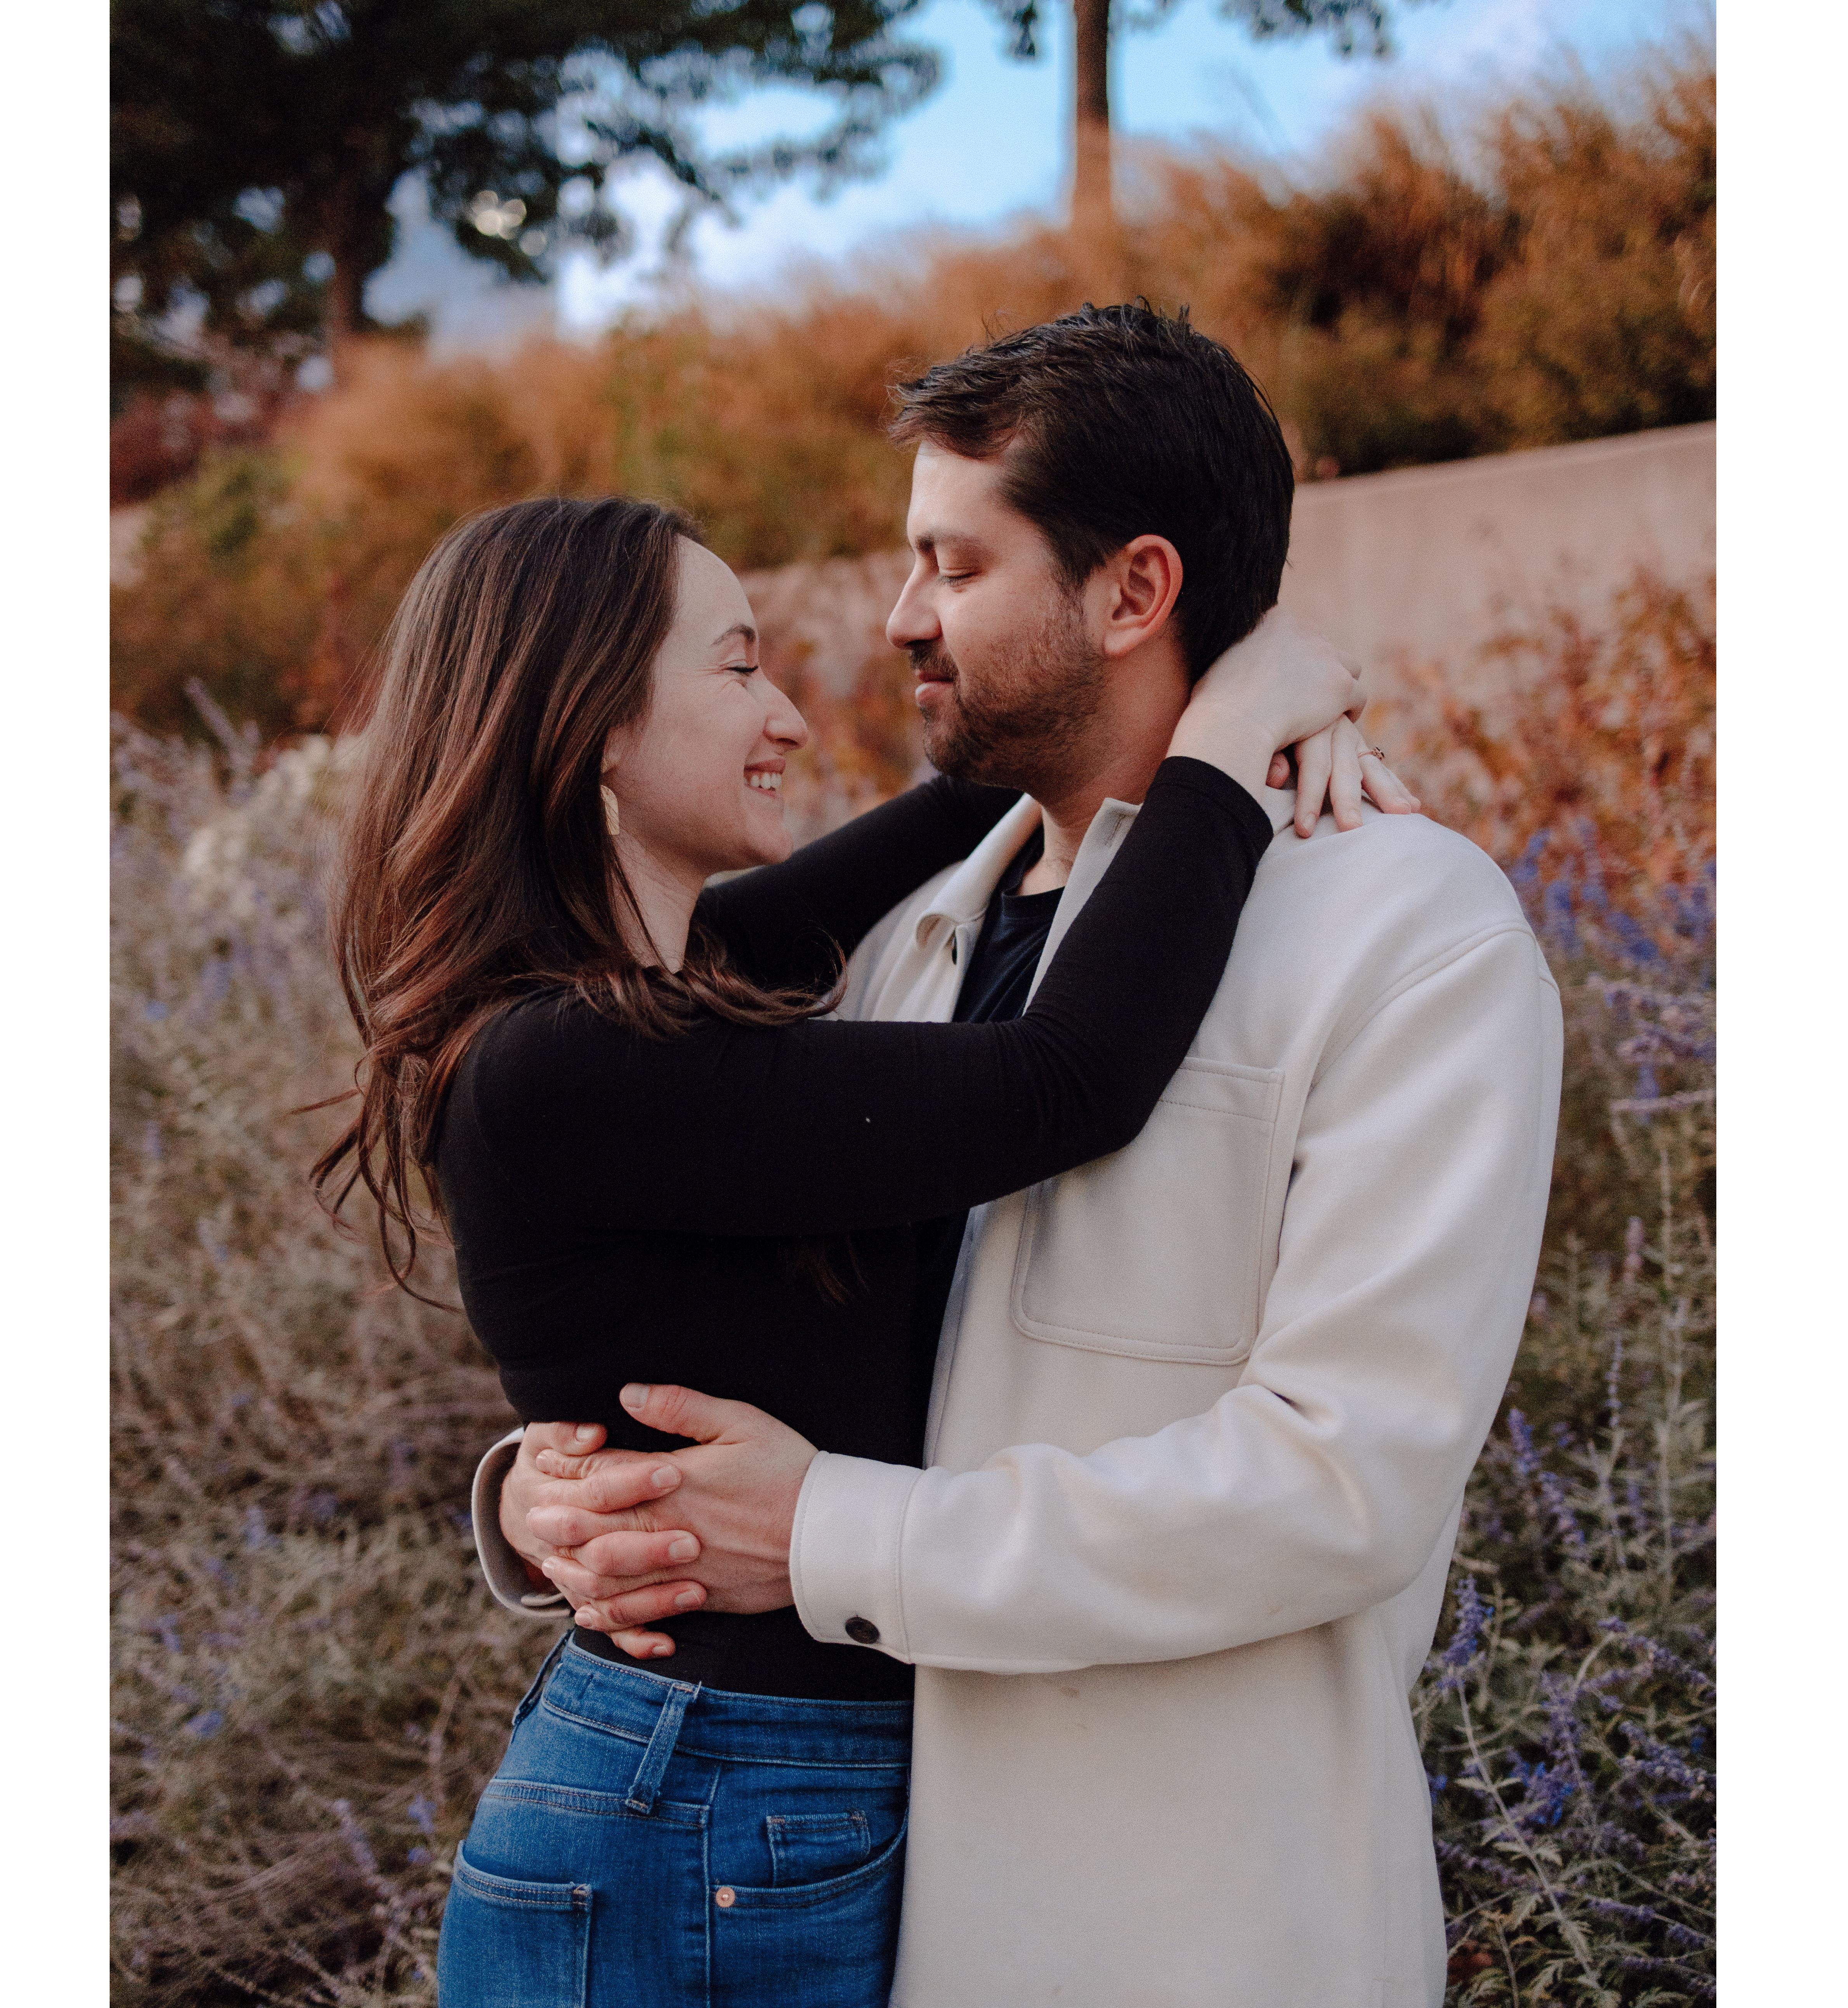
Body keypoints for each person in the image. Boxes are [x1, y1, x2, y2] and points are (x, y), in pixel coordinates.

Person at [485, 303, 1564, 2007]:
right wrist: (559, 1483)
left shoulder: (1402, 929)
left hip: (1183, 1925)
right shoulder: (889, 934)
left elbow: (1344, 1477)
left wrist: (828, 1531)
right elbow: (721, 1277)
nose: (899, 617)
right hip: (843, 1897)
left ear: (1133, 593)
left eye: (955, 564)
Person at [312, 484, 1403, 2007]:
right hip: (703, 1807)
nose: (786, 716)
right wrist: (1223, 747)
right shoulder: (567, 1060)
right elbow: (1068, 1079)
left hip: (737, 1792)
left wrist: (1225, 668)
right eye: (736, 666)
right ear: (595, 730)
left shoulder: (664, 991)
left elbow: (972, 800)